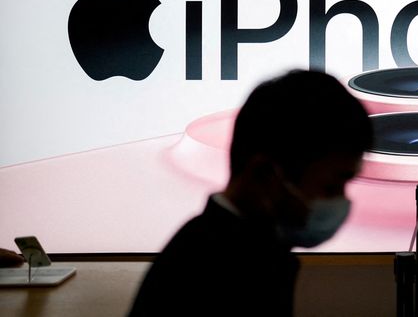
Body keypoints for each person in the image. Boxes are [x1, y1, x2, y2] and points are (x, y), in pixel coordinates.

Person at [129, 70, 373, 316]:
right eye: (331, 186)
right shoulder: (224, 268)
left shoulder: (229, 248)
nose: (341, 201)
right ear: (265, 173)